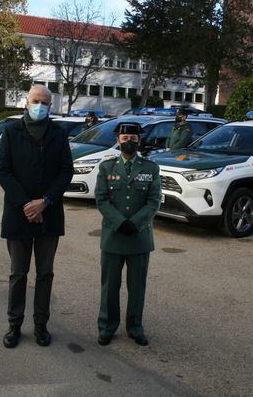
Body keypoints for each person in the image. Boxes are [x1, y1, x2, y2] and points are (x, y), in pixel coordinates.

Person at [0, 85, 74, 349]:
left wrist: (45, 202)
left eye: (44, 102)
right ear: (26, 103)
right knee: (18, 274)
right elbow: (3, 172)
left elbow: (66, 172)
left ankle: (41, 326)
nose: (40, 105)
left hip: (49, 216)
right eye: (35, 101)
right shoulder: (11, 131)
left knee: (45, 274)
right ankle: (14, 325)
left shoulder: (59, 134)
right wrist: (28, 205)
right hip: (18, 216)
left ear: (50, 105)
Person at [95, 122, 161, 347]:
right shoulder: (107, 167)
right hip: (113, 236)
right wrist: (119, 222)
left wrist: (136, 223)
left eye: (133, 138)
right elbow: (101, 199)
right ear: (118, 141)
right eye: (125, 138)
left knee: (137, 288)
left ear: (139, 141)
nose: (129, 141)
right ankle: (106, 327)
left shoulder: (151, 168)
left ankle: (135, 327)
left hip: (139, 237)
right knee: (109, 287)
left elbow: (154, 201)